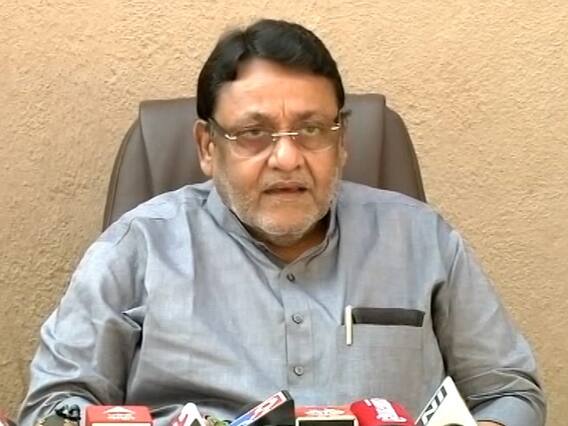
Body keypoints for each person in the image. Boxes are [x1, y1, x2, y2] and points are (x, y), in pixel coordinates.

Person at [19, 19, 545, 426]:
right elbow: (53, 405)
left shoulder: (423, 240)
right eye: (254, 133)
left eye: (312, 130)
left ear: (342, 142)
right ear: (207, 147)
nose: (288, 159)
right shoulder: (137, 249)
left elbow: (510, 391)